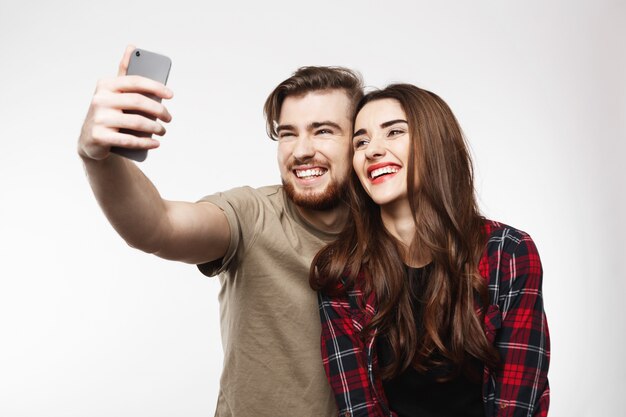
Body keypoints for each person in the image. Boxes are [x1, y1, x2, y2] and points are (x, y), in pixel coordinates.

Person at [78, 45, 364, 416]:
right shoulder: (251, 214)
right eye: (288, 134)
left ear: (359, 142)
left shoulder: (389, 233)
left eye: (323, 131)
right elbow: (158, 226)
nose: (302, 150)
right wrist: (97, 157)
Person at [310, 84, 550, 417]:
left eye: (394, 132)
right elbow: (359, 407)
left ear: (435, 143)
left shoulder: (508, 253)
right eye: (360, 141)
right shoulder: (341, 270)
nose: (372, 150)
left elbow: (517, 400)